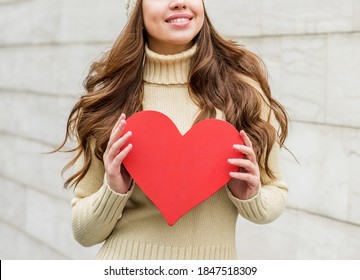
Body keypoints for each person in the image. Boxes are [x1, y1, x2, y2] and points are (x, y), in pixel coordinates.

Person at [57, 0, 289, 260]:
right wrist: (113, 190)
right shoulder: (113, 98)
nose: (179, 3)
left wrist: (250, 195)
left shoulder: (242, 92)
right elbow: (84, 233)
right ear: (137, 8)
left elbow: (275, 193)